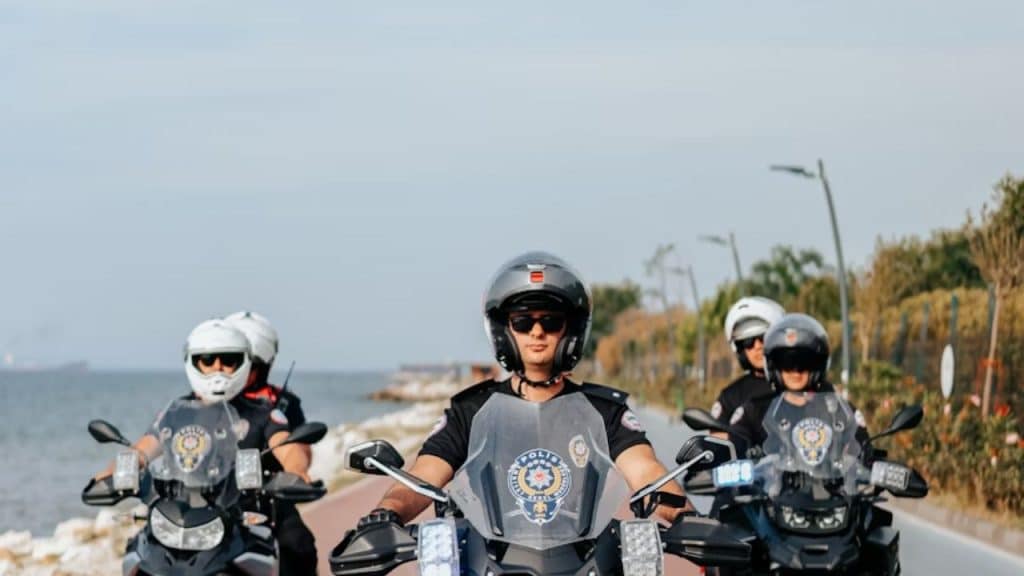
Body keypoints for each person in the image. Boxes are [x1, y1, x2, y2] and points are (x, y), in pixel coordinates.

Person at [354, 251, 686, 533]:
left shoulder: (603, 409)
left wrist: (687, 517)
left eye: (551, 322)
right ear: (505, 330)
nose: (537, 332)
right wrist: (386, 514)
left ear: (570, 330)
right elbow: (424, 474)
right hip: (488, 559)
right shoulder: (472, 409)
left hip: (586, 558)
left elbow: (646, 471)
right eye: (524, 322)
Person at [93, 319, 318, 575]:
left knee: (298, 544)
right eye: (208, 360)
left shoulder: (264, 411)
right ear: (194, 363)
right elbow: (142, 449)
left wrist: (296, 470)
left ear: (244, 362)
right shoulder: (177, 412)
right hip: (182, 511)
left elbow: (286, 446)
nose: (217, 367)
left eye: (228, 360)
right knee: (138, 551)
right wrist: (109, 475)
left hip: (253, 509)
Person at [728, 313, 865, 455]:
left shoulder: (839, 410)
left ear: (818, 363)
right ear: (773, 365)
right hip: (768, 477)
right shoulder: (753, 411)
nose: (795, 370)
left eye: (803, 362)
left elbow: (864, 451)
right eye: (786, 362)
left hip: (830, 477)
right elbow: (731, 450)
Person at [710, 297, 785, 428]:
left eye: (764, 337)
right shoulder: (731, 396)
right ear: (740, 349)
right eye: (748, 342)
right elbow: (718, 441)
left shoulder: (798, 385)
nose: (758, 346)